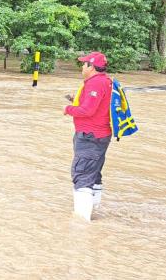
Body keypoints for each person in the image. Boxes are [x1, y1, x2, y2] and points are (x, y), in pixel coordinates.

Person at [64, 51, 112, 221]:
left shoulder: (95, 83)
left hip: (90, 136)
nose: (82, 67)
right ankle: (95, 211)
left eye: (84, 64)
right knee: (94, 173)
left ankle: (81, 222)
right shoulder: (107, 81)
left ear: (91, 67)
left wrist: (68, 109)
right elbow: (99, 106)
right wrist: (75, 100)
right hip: (101, 136)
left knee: (82, 174)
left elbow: (87, 110)